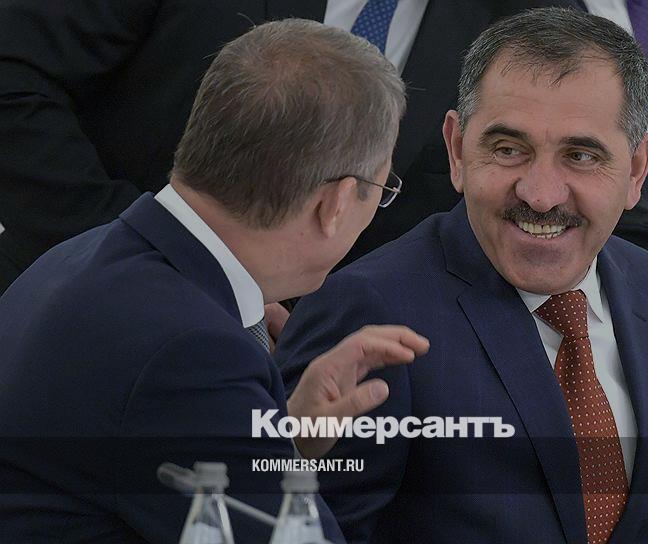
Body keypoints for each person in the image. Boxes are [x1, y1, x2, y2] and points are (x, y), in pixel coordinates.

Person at [0, 0, 648, 508]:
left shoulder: (525, 32)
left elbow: (616, 225)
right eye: (502, 148)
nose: (541, 186)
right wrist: (182, 279)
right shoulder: (161, 322)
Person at [275, 9, 648, 543]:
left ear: (635, 171)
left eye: (580, 156)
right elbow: (298, 528)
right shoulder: (366, 312)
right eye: (508, 150)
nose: (540, 194)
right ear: (457, 150)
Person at [0, 20, 425, 543]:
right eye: (381, 189)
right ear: (334, 203)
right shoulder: (191, 353)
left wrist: (279, 442)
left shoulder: (79, 256)